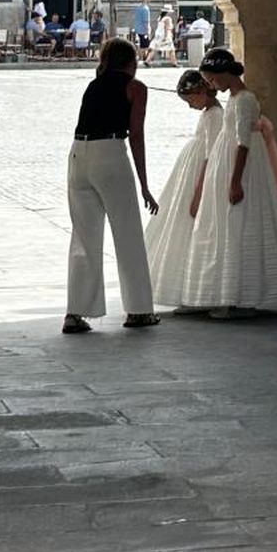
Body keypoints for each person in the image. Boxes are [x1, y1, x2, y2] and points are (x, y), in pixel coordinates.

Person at [183, 47, 277, 318]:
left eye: (213, 79)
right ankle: (230, 295)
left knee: (240, 225)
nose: (212, 85)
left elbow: (244, 143)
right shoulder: (235, 99)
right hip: (227, 165)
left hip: (241, 169)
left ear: (225, 74)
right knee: (228, 227)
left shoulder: (245, 100)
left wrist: (236, 181)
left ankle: (241, 296)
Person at [64, 37, 160, 334]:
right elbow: (137, 136)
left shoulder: (94, 84)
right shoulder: (136, 87)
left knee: (84, 237)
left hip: (78, 154)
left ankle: (75, 312)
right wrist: (144, 184)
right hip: (110, 154)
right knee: (127, 233)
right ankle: (139, 309)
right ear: (132, 60)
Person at [145, 70, 225, 309]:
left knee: (191, 228)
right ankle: (187, 291)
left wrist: (199, 192)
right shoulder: (209, 114)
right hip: (189, 175)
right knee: (183, 227)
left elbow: (211, 156)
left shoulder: (215, 116)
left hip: (197, 176)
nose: (191, 107)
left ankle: (195, 291)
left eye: (191, 100)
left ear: (201, 92)